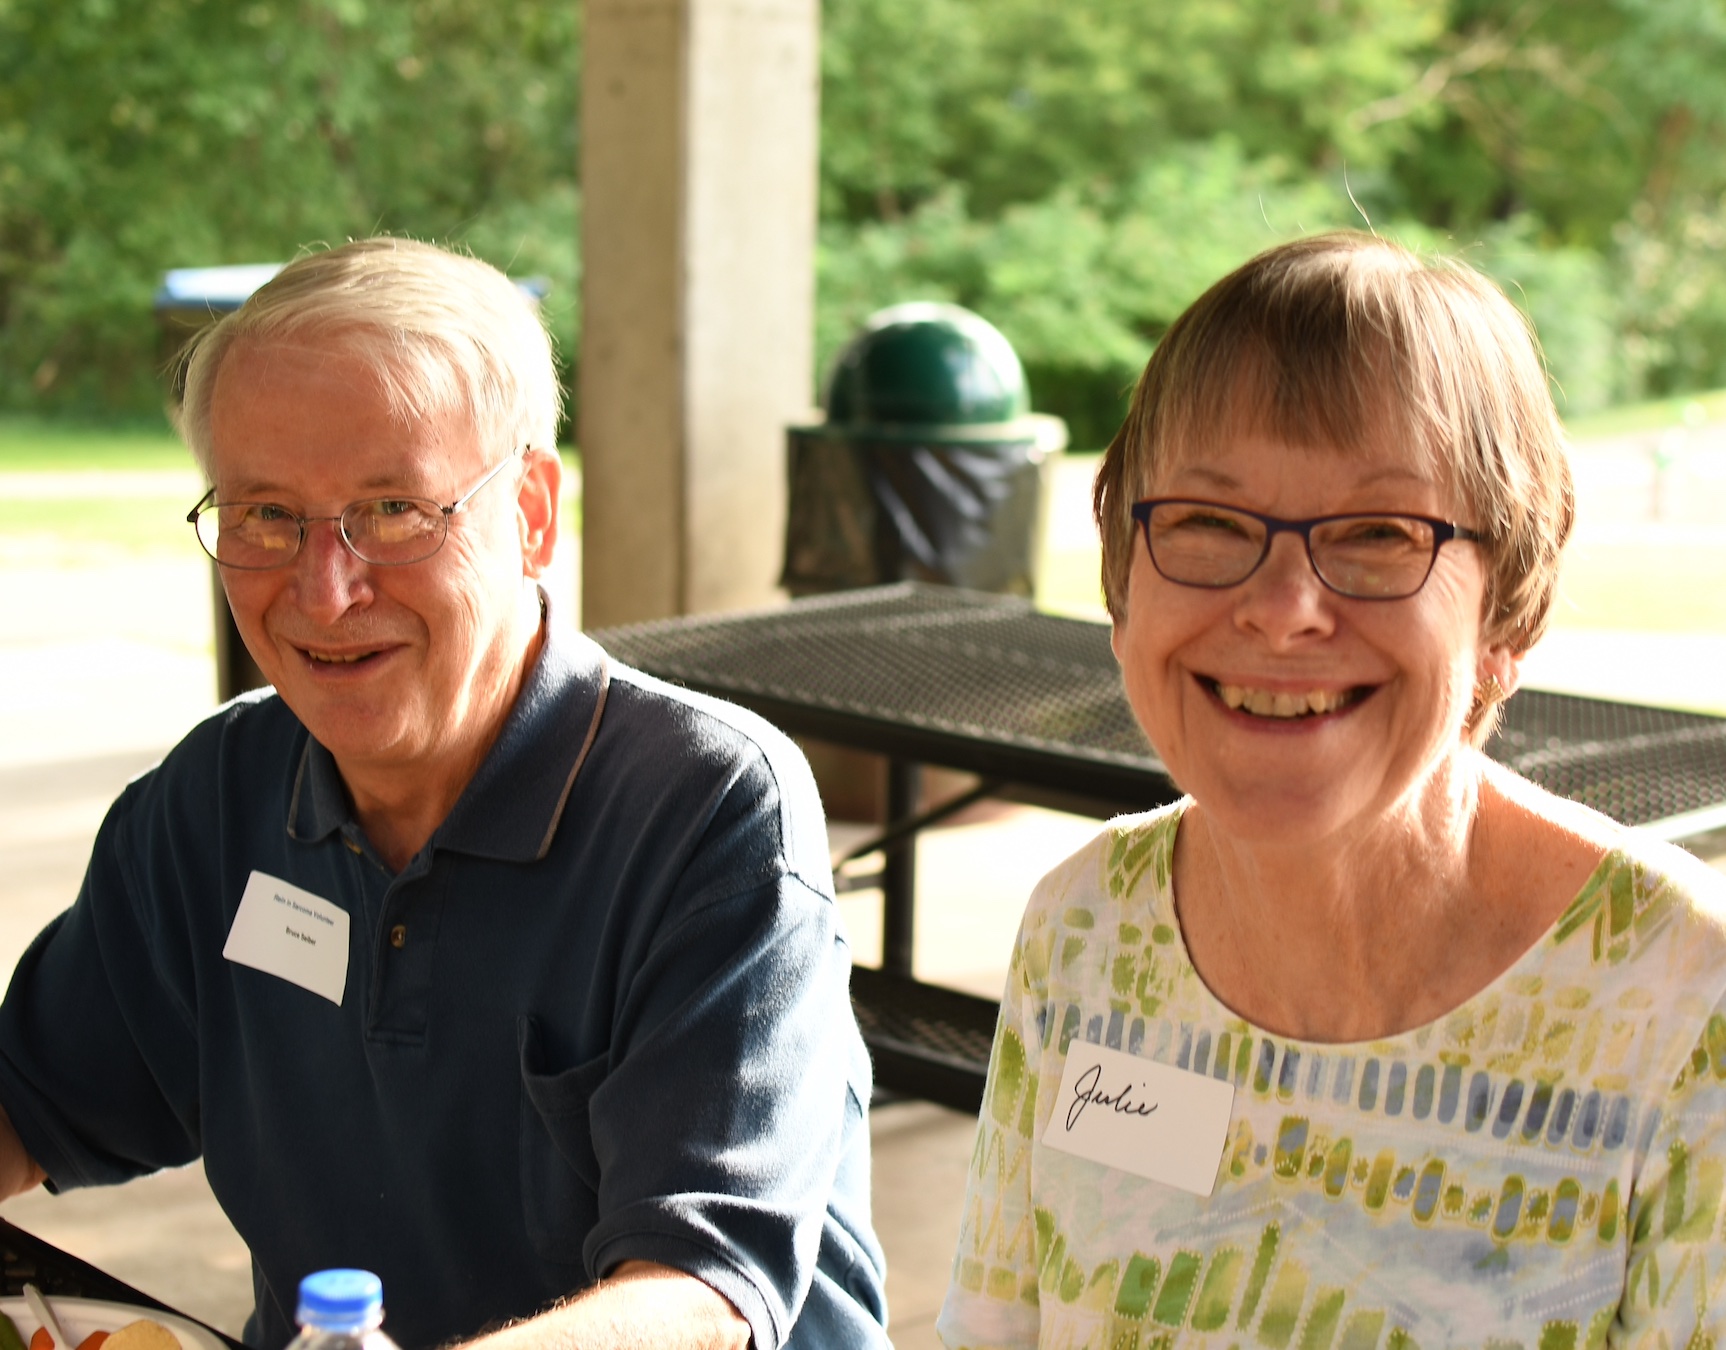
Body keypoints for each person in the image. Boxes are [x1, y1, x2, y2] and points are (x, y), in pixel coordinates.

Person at [0, 238, 888, 1350]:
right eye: (264, 514)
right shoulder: (215, 801)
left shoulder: (707, 809)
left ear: (529, 512)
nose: (324, 592)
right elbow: (31, 1098)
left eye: (391, 510)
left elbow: (697, 1300)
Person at [937, 233, 1726, 1348]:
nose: (1282, 606)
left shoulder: (1677, 994)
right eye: (1208, 523)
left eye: (1377, 535)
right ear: (1121, 580)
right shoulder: (1086, 925)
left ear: (1507, 613)